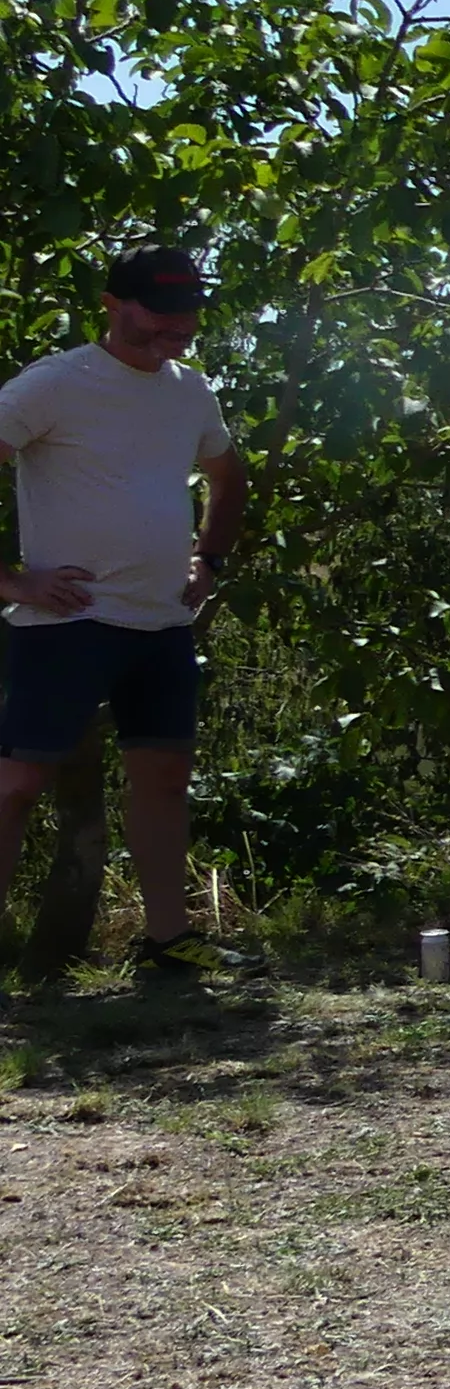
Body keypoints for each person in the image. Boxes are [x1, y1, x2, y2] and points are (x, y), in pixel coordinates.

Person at [0, 247, 249, 972]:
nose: (179, 324)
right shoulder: (56, 383)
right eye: (161, 312)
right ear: (114, 305)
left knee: (166, 778)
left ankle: (170, 943)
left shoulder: (190, 390)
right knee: (15, 784)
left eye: (189, 311)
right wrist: (11, 583)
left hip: (160, 623)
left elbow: (228, 478)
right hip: (67, 622)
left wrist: (210, 560)